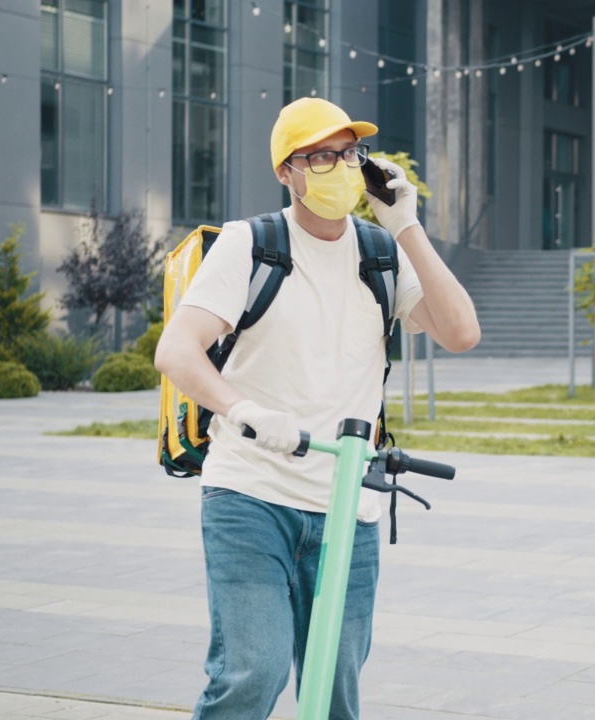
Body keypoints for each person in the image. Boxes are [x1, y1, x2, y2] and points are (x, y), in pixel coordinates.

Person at [154, 98, 481, 720]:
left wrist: (406, 222)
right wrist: (244, 409)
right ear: (287, 171)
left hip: (346, 510)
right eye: (322, 156)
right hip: (250, 497)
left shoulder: (381, 254)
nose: (341, 168)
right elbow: (176, 352)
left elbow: (462, 332)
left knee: (334, 693)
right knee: (253, 673)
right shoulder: (251, 244)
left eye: (350, 153)